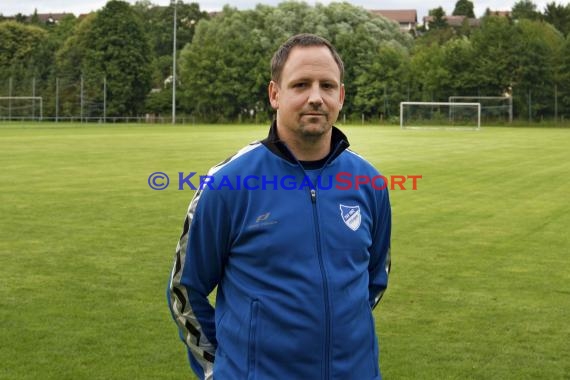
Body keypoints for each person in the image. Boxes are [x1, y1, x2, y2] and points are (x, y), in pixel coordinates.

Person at [167, 33, 392, 380]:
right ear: (275, 93)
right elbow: (186, 288)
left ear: (341, 96)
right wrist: (219, 369)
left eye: (327, 86)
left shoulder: (369, 182)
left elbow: (374, 279)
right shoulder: (228, 183)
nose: (315, 97)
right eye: (301, 84)